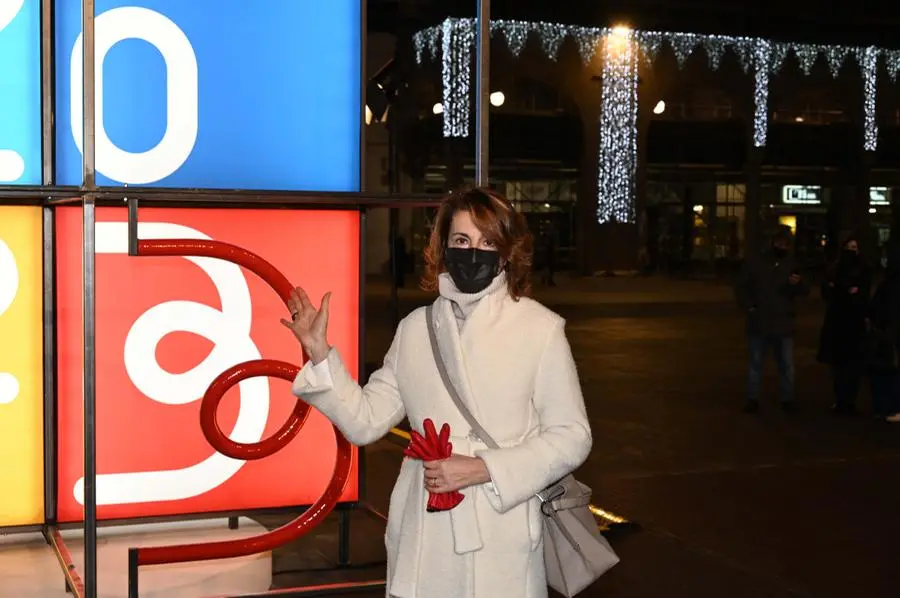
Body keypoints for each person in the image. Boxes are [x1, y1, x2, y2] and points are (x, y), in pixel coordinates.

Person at [281, 188, 592, 598]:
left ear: (506, 253)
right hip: (425, 532)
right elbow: (366, 421)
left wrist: (485, 468)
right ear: (443, 247)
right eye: (462, 241)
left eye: (487, 242)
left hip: (500, 528)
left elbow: (572, 435)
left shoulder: (540, 329)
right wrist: (319, 353)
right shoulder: (416, 329)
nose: (473, 253)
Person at [735, 228, 810, 413]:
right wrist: (750, 307)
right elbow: (741, 287)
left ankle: (787, 399)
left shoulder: (792, 264)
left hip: (782, 322)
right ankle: (753, 398)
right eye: (779, 243)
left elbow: (804, 290)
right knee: (757, 363)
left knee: (785, 364)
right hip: (761, 321)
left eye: (785, 244)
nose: (782, 246)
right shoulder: (756, 262)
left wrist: (797, 284)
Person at [816, 237, 871, 415]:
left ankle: (850, 400)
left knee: (852, 363)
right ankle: (841, 399)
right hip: (837, 321)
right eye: (849, 247)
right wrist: (842, 289)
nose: (851, 250)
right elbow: (828, 291)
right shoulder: (835, 268)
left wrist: (842, 289)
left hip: (854, 321)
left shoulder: (863, 269)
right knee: (838, 363)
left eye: (854, 247)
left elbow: (861, 293)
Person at [867, 252, 900, 422]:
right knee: (889, 372)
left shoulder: (885, 285)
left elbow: (873, 309)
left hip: (882, 334)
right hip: (888, 335)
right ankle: (892, 408)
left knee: (882, 372)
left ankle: (882, 407)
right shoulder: (890, 286)